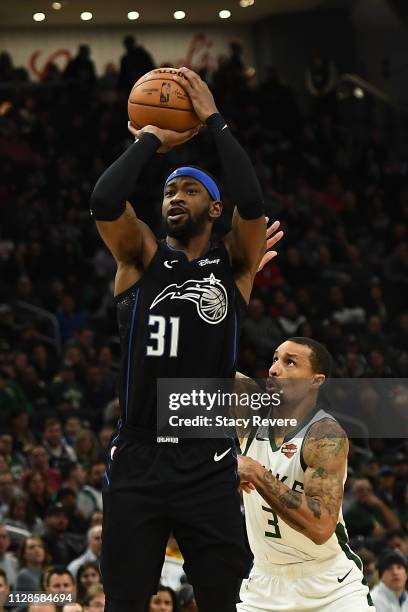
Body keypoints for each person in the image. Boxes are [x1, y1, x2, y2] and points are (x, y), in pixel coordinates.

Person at [90, 66, 283, 612]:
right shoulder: (139, 258)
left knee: (224, 598)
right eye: (170, 189)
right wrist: (150, 137)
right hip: (139, 454)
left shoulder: (234, 265)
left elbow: (251, 201)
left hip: (207, 455)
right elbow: (105, 202)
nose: (175, 196)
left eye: (190, 189)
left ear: (213, 208)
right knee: (124, 599)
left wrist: (214, 120)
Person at [236, 337, 374, 611]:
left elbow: (321, 526)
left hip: (329, 586)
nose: (275, 369)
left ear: (316, 380)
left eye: (290, 362)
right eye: (275, 359)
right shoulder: (248, 410)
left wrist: (254, 471)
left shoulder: (324, 435)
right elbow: (205, 356)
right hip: (265, 584)